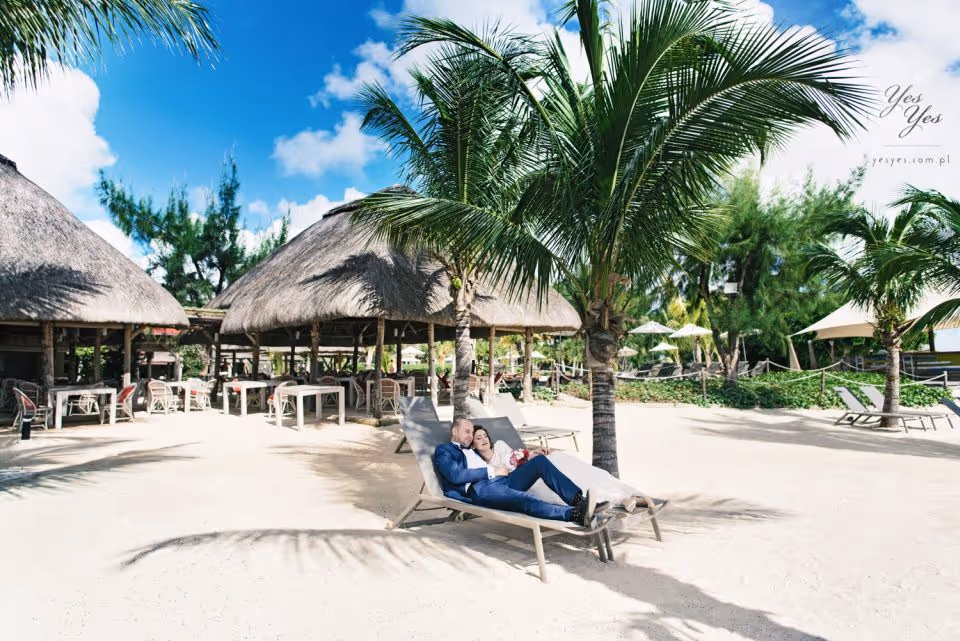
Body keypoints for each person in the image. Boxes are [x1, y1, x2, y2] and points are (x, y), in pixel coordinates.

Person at [433, 418, 608, 527]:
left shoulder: (473, 450)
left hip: (502, 481)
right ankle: (575, 514)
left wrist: (525, 457)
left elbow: (499, 455)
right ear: (454, 431)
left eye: (472, 433)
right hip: (480, 489)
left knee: (540, 462)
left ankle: (579, 501)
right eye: (467, 432)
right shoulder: (445, 450)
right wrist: (491, 471)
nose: (470, 436)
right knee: (524, 500)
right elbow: (455, 476)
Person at [471, 426, 648, 514]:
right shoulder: (476, 461)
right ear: (473, 443)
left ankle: (626, 493)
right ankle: (621, 499)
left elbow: (516, 455)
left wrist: (532, 453)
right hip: (520, 482)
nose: (484, 439)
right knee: (561, 483)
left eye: (485, 435)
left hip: (528, 469)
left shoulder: (500, 445)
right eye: (478, 438)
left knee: (568, 464)